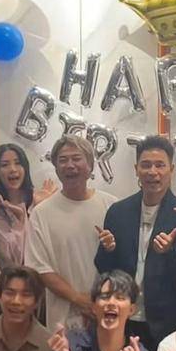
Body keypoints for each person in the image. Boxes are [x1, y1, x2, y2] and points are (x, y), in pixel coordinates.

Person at [94, 135, 176, 351]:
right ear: (136, 169)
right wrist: (109, 250)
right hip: (122, 317)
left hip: (165, 323)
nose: (153, 172)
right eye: (146, 165)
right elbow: (103, 268)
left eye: (160, 165)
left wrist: (170, 252)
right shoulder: (118, 212)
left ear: (171, 170)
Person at [26, 135, 116, 330]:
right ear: (56, 168)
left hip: (108, 312)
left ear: (90, 165)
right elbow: (39, 267)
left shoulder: (112, 206)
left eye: (76, 158)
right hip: (62, 319)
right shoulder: (41, 213)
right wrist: (78, 299)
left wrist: (100, 301)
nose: (69, 165)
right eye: (63, 160)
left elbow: (123, 262)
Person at [0, 143, 57, 269]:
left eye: (18, 163)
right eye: (5, 165)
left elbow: (53, 249)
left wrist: (42, 208)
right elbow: (15, 260)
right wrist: (19, 220)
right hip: (17, 279)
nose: (13, 169)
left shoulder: (39, 201)